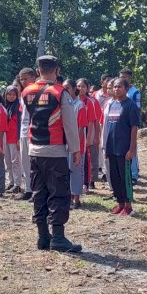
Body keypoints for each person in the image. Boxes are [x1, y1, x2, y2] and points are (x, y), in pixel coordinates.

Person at [22, 55, 82, 252]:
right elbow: (70, 125)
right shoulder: (60, 93)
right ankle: (58, 237)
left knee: (39, 192)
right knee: (59, 193)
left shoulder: (27, 92)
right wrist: (75, 149)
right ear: (57, 70)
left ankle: (42, 236)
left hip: (34, 149)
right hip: (55, 150)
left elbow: (27, 121)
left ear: (38, 70)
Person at [103, 77, 140, 216]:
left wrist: (131, 149)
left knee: (125, 178)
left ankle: (128, 206)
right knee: (114, 177)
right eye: (115, 87)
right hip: (112, 148)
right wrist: (107, 148)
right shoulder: (112, 104)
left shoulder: (130, 105)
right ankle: (120, 203)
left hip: (124, 149)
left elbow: (134, 128)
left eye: (120, 87)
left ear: (126, 88)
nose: (116, 89)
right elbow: (109, 128)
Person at [63, 79, 88, 209]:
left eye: (68, 88)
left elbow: (80, 128)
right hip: (64, 143)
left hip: (76, 145)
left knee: (76, 171)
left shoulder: (80, 105)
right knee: (67, 171)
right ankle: (69, 197)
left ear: (74, 89)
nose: (65, 90)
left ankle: (76, 199)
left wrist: (76, 146)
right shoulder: (65, 104)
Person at [17, 68, 38, 200]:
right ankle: (28, 189)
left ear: (33, 77)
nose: (23, 81)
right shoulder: (23, 93)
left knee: (33, 163)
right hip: (23, 131)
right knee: (24, 162)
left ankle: (36, 190)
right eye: (21, 79)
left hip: (33, 132)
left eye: (26, 78)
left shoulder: (36, 91)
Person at [78, 78, 101, 192]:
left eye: (83, 86)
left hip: (87, 130)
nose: (80, 88)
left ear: (87, 88)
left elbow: (95, 120)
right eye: (78, 86)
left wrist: (94, 136)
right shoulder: (72, 100)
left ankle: (87, 182)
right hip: (75, 130)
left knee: (88, 157)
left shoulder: (91, 101)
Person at [119, 68, 141, 183]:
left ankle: (134, 175)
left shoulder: (135, 92)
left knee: (133, 148)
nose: (122, 79)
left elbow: (137, 109)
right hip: (121, 125)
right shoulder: (118, 90)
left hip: (130, 124)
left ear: (130, 78)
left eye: (125, 77)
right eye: (121, 76)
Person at [3, 85, 24, 194]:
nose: (11, 97)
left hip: (14, 138)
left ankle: (17, 184)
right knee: (7, 161)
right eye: (9, 94)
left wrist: (18, 139)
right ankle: (11, 182)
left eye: (13, 94)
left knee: (15, 161)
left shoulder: (18, 107)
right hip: (5, 137)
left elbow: (20, 124)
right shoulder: (4, 107)